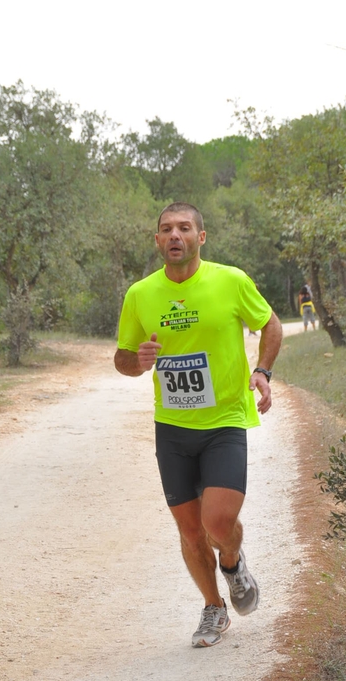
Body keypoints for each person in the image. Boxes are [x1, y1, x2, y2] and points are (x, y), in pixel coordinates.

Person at [114, 202, 282, 648]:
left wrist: (262, 372)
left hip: (225, 419)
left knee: (218, 520)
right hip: (172, 428)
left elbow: (271, 325)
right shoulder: (140, 294)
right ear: (156, 240)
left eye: (184, 228)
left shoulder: (230, 280)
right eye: (166, 229)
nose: (175, 235)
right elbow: (123, 359)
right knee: (190, 531)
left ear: (200, 237)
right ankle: (214, 608)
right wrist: (138, 361)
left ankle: (232, 561)